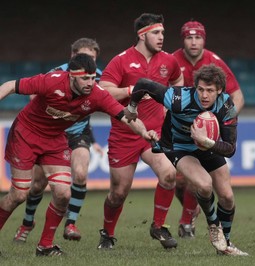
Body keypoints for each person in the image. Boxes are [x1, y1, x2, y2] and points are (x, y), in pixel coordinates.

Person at [0, 53, 156, 256]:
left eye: (93, 78)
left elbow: (126, 116)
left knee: (63, 194)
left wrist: (144, 132)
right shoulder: (51, 81)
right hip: (25, 135)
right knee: (19, 194)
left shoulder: (97, 95)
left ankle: (45, 246)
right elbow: (12, 84)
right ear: (71, 76)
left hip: (55, 140)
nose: (90, 83)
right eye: (85, 78)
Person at [125, 64, 248, 256]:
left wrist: (205, 141)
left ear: (220, 90)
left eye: (210, 91)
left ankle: (227, 245)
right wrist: (132, 107)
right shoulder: (178, 98)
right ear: (195, 87)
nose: (204, 95)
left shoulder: (226, 105)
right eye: (200, 89)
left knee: (228, 197)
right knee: (205, 185)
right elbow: (142, 84)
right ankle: (213, 225)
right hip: (178, 146)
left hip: (207, 145)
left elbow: (230, 149)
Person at [97, 13, 183, 250]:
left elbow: (178, 83)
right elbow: (103, 92)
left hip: (154, 133)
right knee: (119, 193)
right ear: (142, 35)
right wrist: (131, 89)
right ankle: (107, 233)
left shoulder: (169, 61)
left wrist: (169, 109)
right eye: (156, 33)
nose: (161, 37)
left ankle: (158, 226)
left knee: (168, 174)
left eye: (163, 33)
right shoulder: (121, 60)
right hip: (124, 134)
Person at [13, 38, 104, 243]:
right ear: (72, 56)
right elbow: (33, 96)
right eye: (83, 56)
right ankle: (27, 223)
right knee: (37, 185)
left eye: (92, 59)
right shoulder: (57, 73)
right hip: (52, 134)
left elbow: (105, 102)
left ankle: (70, 223)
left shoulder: (97, 78)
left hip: (78, 135)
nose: (88, 62)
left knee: (80, 174)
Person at [169, 20, 245, 238]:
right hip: (179, 133)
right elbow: (165, 98)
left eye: (198, 37)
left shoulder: (214, 62)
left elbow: (237, 97)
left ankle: (187, 223)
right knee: (178, 182)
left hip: (207, 136)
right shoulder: (172, 61)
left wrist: (222, 122)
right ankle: (191, 216)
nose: (194, 42)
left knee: (210, 186)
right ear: (183, 40)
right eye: (189, 37)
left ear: (204, 39)